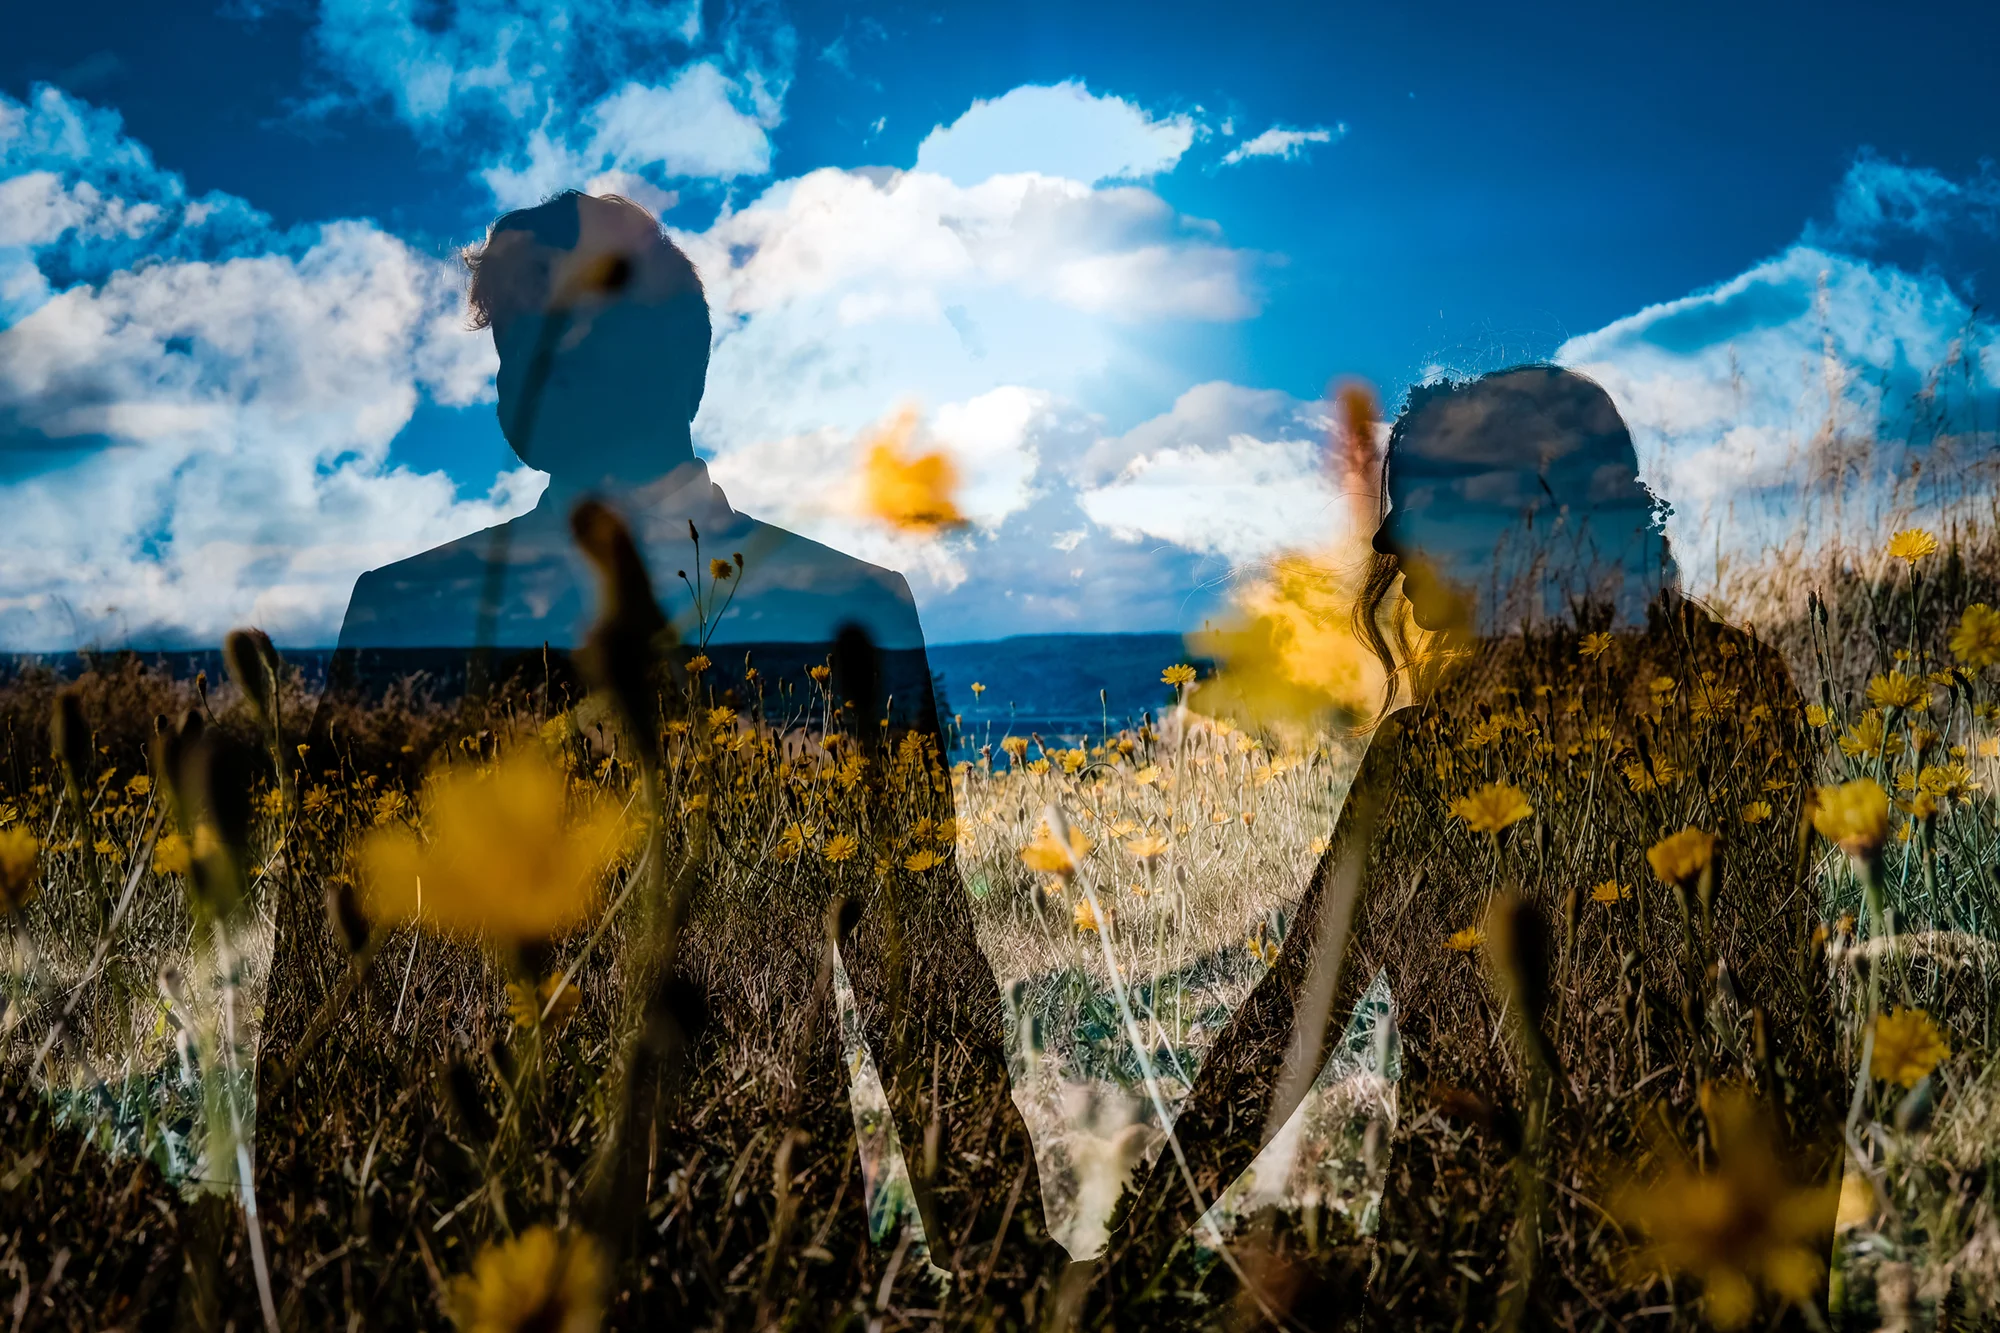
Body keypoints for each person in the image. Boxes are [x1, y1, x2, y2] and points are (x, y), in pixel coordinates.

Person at [257, 191, 1045, 1289]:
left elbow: (921, 972)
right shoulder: (400, 610)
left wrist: (1002, 1262)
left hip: (768, 1249)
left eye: (557, 331)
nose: (524, 370)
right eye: (512, 340)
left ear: (680, 358)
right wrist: (291, 1260)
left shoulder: (849, 608)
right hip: (473, 1247)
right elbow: (320, 971)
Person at [1099, 366, 1841, 1325]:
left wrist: (1128, 1255)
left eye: (1424, 507)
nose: (1387, 542)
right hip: (1685, 1272)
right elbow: (1797, 1031)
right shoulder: (1741, 695)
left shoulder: (1431, 762)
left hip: (1471, 1277)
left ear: (1519, 523)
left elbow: (1291, 1024)